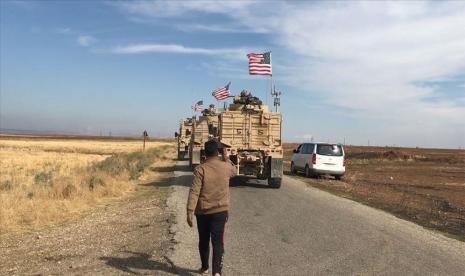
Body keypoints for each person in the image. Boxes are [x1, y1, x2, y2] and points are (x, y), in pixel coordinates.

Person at [186, 140, 236, 276]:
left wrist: (189, 211)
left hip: (202, 212)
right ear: (218, 152)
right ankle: (217, 272)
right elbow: (234, 171)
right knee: (218, 242)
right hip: (220, 212)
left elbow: (194, 191)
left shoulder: (200, 169)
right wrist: (226, 157)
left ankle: (204, 268)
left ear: (204, 153)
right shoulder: (226, 167)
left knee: (203, 240)